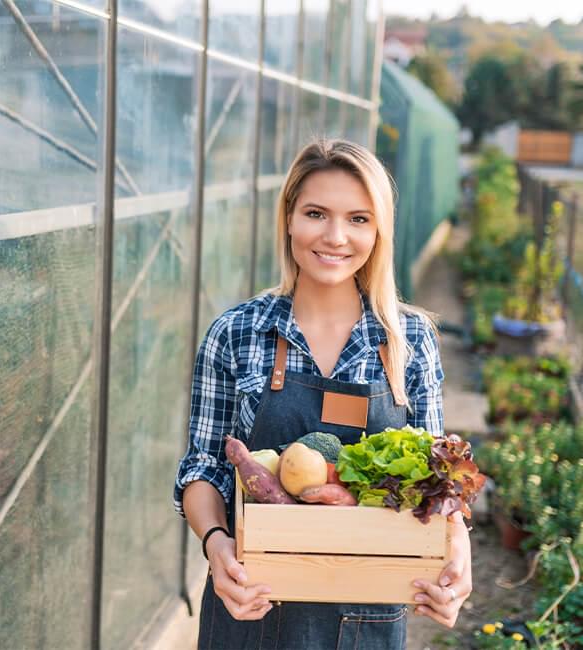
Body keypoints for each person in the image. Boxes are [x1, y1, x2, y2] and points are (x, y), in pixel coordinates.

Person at [174, 139, 472, 649]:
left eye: (358, 218)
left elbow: (437, 483)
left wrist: (458, 555)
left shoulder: (409, 340)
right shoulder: (237, 333)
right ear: (289, 218)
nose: (335, 236)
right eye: (316, 213)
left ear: (379, 232)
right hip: (251, 607)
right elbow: (203, 468)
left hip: (367, 617)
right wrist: (217, 544)